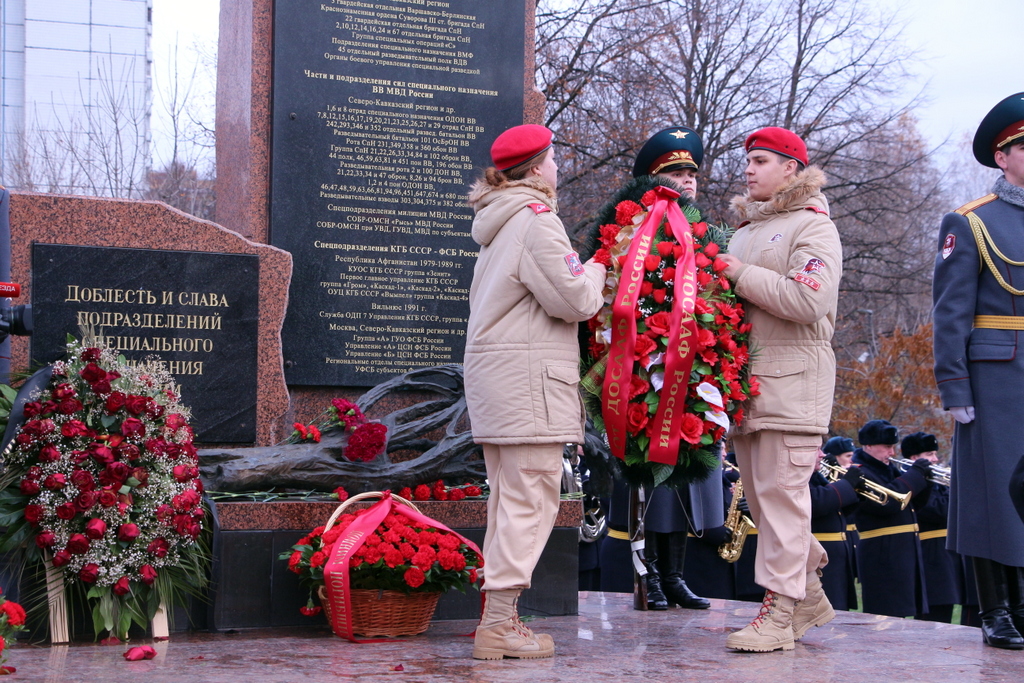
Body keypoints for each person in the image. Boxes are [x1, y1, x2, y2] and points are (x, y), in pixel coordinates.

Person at [464, 124, 607, 660]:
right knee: (531, 501)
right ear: (535, 168)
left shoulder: (499, 223)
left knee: (510, 502)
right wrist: (597, 268)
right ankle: (499, 624)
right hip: (528, 387)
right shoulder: (536, 222)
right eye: (552, 160)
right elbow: (574, 301)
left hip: (500, 383)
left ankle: (500, 620)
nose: (557, 169)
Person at [718, 127, 843, 652]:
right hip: (748, 388)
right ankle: (807, 591)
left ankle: (779, 613)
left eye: (762, 161)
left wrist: (739, 273)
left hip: (792, 389)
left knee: (783, 502)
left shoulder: (814, 227)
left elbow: (807, 302)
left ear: (792, 168)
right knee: (767, 507)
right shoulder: (746, 228)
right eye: (747, 160)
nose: (749, 169)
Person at [933, 92, 1024, 649]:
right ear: (1003, 156)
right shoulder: (970, 222)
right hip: (994, 379)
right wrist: (954, 386)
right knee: (992, 495)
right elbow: (949, 314)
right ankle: (996, 611)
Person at [850, 420, 931, 618]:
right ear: (868, 445)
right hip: (882, 552)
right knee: (886, 613)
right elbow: (888, 503)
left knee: (903, 612)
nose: (892, 453)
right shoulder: (859, 471)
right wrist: (915, 475)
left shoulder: (890, 470)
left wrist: (925, 481)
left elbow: (912, 507)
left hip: (902, 550)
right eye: (887, 447)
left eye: (893, 447)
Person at [901, 432, 963, 623]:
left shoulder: (936, 481)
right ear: (914, 458)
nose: (935, 459)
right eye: (929, 454)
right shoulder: (912, 481)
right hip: (929, 553)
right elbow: (938, 510)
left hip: (947, 553)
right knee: (932, 614)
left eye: (935, 454)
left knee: (945, 608)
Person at [809, 447, 860, 611]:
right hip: (817, 558)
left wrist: (855, 490)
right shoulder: (797, 476)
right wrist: (847, 484)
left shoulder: (816, 475)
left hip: (836, 556)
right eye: (816, 450)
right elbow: (816, 502)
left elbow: (838, 509)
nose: (822, 455)